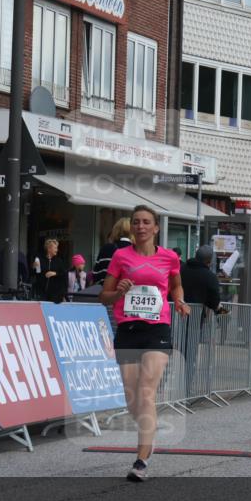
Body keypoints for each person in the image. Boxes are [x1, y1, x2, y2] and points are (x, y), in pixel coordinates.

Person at [101, 205, 189, 482]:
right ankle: (148, 435)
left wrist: (179, 300)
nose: (141, 226)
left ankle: (141, 459)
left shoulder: (169, 257)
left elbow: (176, 285)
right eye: (136, 222)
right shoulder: (120, 256)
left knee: (147, 391)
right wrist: (118, 292)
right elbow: (104, 296)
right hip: (128, 328)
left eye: (146, 222)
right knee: (132, 399)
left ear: (156, 228)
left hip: (157, 328)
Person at [180, 245, 224, 396]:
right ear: (210, 261)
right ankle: (185, 388)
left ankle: (163, 385)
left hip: (174, 316)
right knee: (189, 355)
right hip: (194, 321)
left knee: (172, 351)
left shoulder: (182, 269)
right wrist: (223, 312)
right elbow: (214, 301)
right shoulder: (209, 276)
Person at [93, 217, 132, 284]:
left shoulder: (106, 248)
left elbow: (96, 274)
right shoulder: (136, 250)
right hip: (129, 292)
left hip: (105, 290)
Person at [34, 238, 68, 303]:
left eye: (57, 248)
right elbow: (36, 274)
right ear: (49, 249)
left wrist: (55, 273)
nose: (57, 250)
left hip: (55, 296)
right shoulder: (40, 259)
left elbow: (64, 274)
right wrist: (34, 267)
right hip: (42, 294)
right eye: (55, 248)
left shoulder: (59, 261)